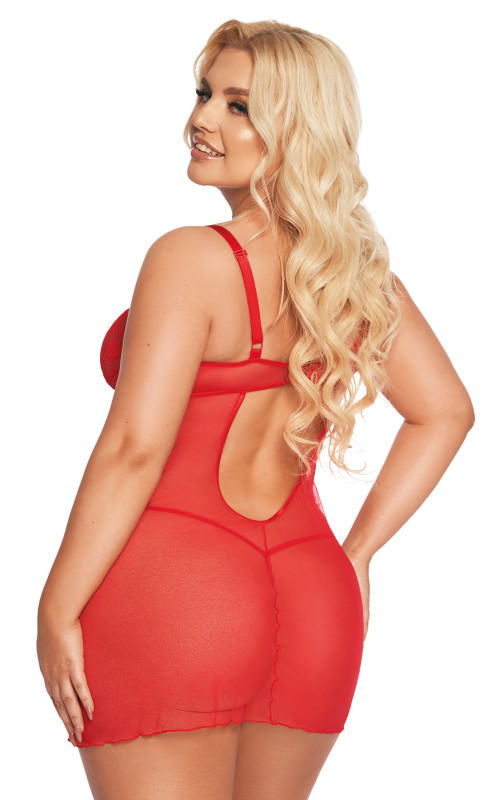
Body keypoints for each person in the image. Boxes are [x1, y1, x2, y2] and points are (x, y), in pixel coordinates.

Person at [36, 18, 475, 800]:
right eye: (204, 93)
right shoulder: (354, 277)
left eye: (238, 105)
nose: (202, 118)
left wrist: (56, 605)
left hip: (179, 597)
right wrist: (357, 554)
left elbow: (135, 447)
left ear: (296, 128)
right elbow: (446, 411)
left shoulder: (189, 257)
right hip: (314, 601)